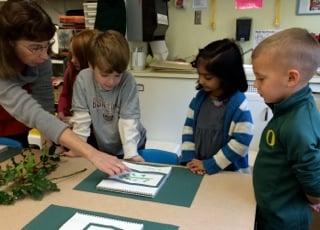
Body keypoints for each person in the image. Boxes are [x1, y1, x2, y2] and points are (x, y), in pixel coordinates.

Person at [0, 0, 126, 175]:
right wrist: (92, 153)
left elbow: (43, 111)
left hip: (17, 131)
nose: (44, 55)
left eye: (47, 46)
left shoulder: (40, 59)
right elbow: (30, 111)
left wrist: (48, 151)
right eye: (35, 48)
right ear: (9, 44)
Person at [252, 28, 320, 229]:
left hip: (285, 222)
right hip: (271, 210)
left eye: (261, 78)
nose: (256, 85)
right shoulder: (287, 106)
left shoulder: (298, 124)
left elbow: (312, 173)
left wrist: (314, 199)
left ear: (291, 78)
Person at [67, 30, 146, 162]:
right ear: (91, 66)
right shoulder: (83, 79)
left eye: (117, 75)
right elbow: (81, 118)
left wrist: (131, 153)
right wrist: (78, 148)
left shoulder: (128, 81)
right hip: (103, 143)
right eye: (104, 75)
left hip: (131, 142)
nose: (111, 82)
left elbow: (128, 120)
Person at [180, 39, 253, 175]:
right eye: (199, 75)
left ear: (227, 77)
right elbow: (188, 130)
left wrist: (210, 164)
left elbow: (242, 142)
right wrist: (189, 159)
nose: (201, 80)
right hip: (200, 169)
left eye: (207, 77)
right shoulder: (198, 100)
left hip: (230, 174)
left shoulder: (239, 105)